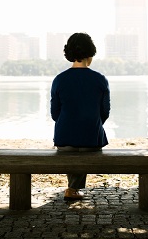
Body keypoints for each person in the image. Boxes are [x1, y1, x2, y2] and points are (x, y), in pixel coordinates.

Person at [50, 32, 111, 200]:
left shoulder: (59, 80)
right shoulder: (100, 79)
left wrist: (70, 122)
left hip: (64, 139)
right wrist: (91, 122)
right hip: (92, 139)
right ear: (90, 53)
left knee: (73, 140)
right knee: (84, 138)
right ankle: (73, 189)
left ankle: (73, 188)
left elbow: (55, 113)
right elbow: (105, 112)